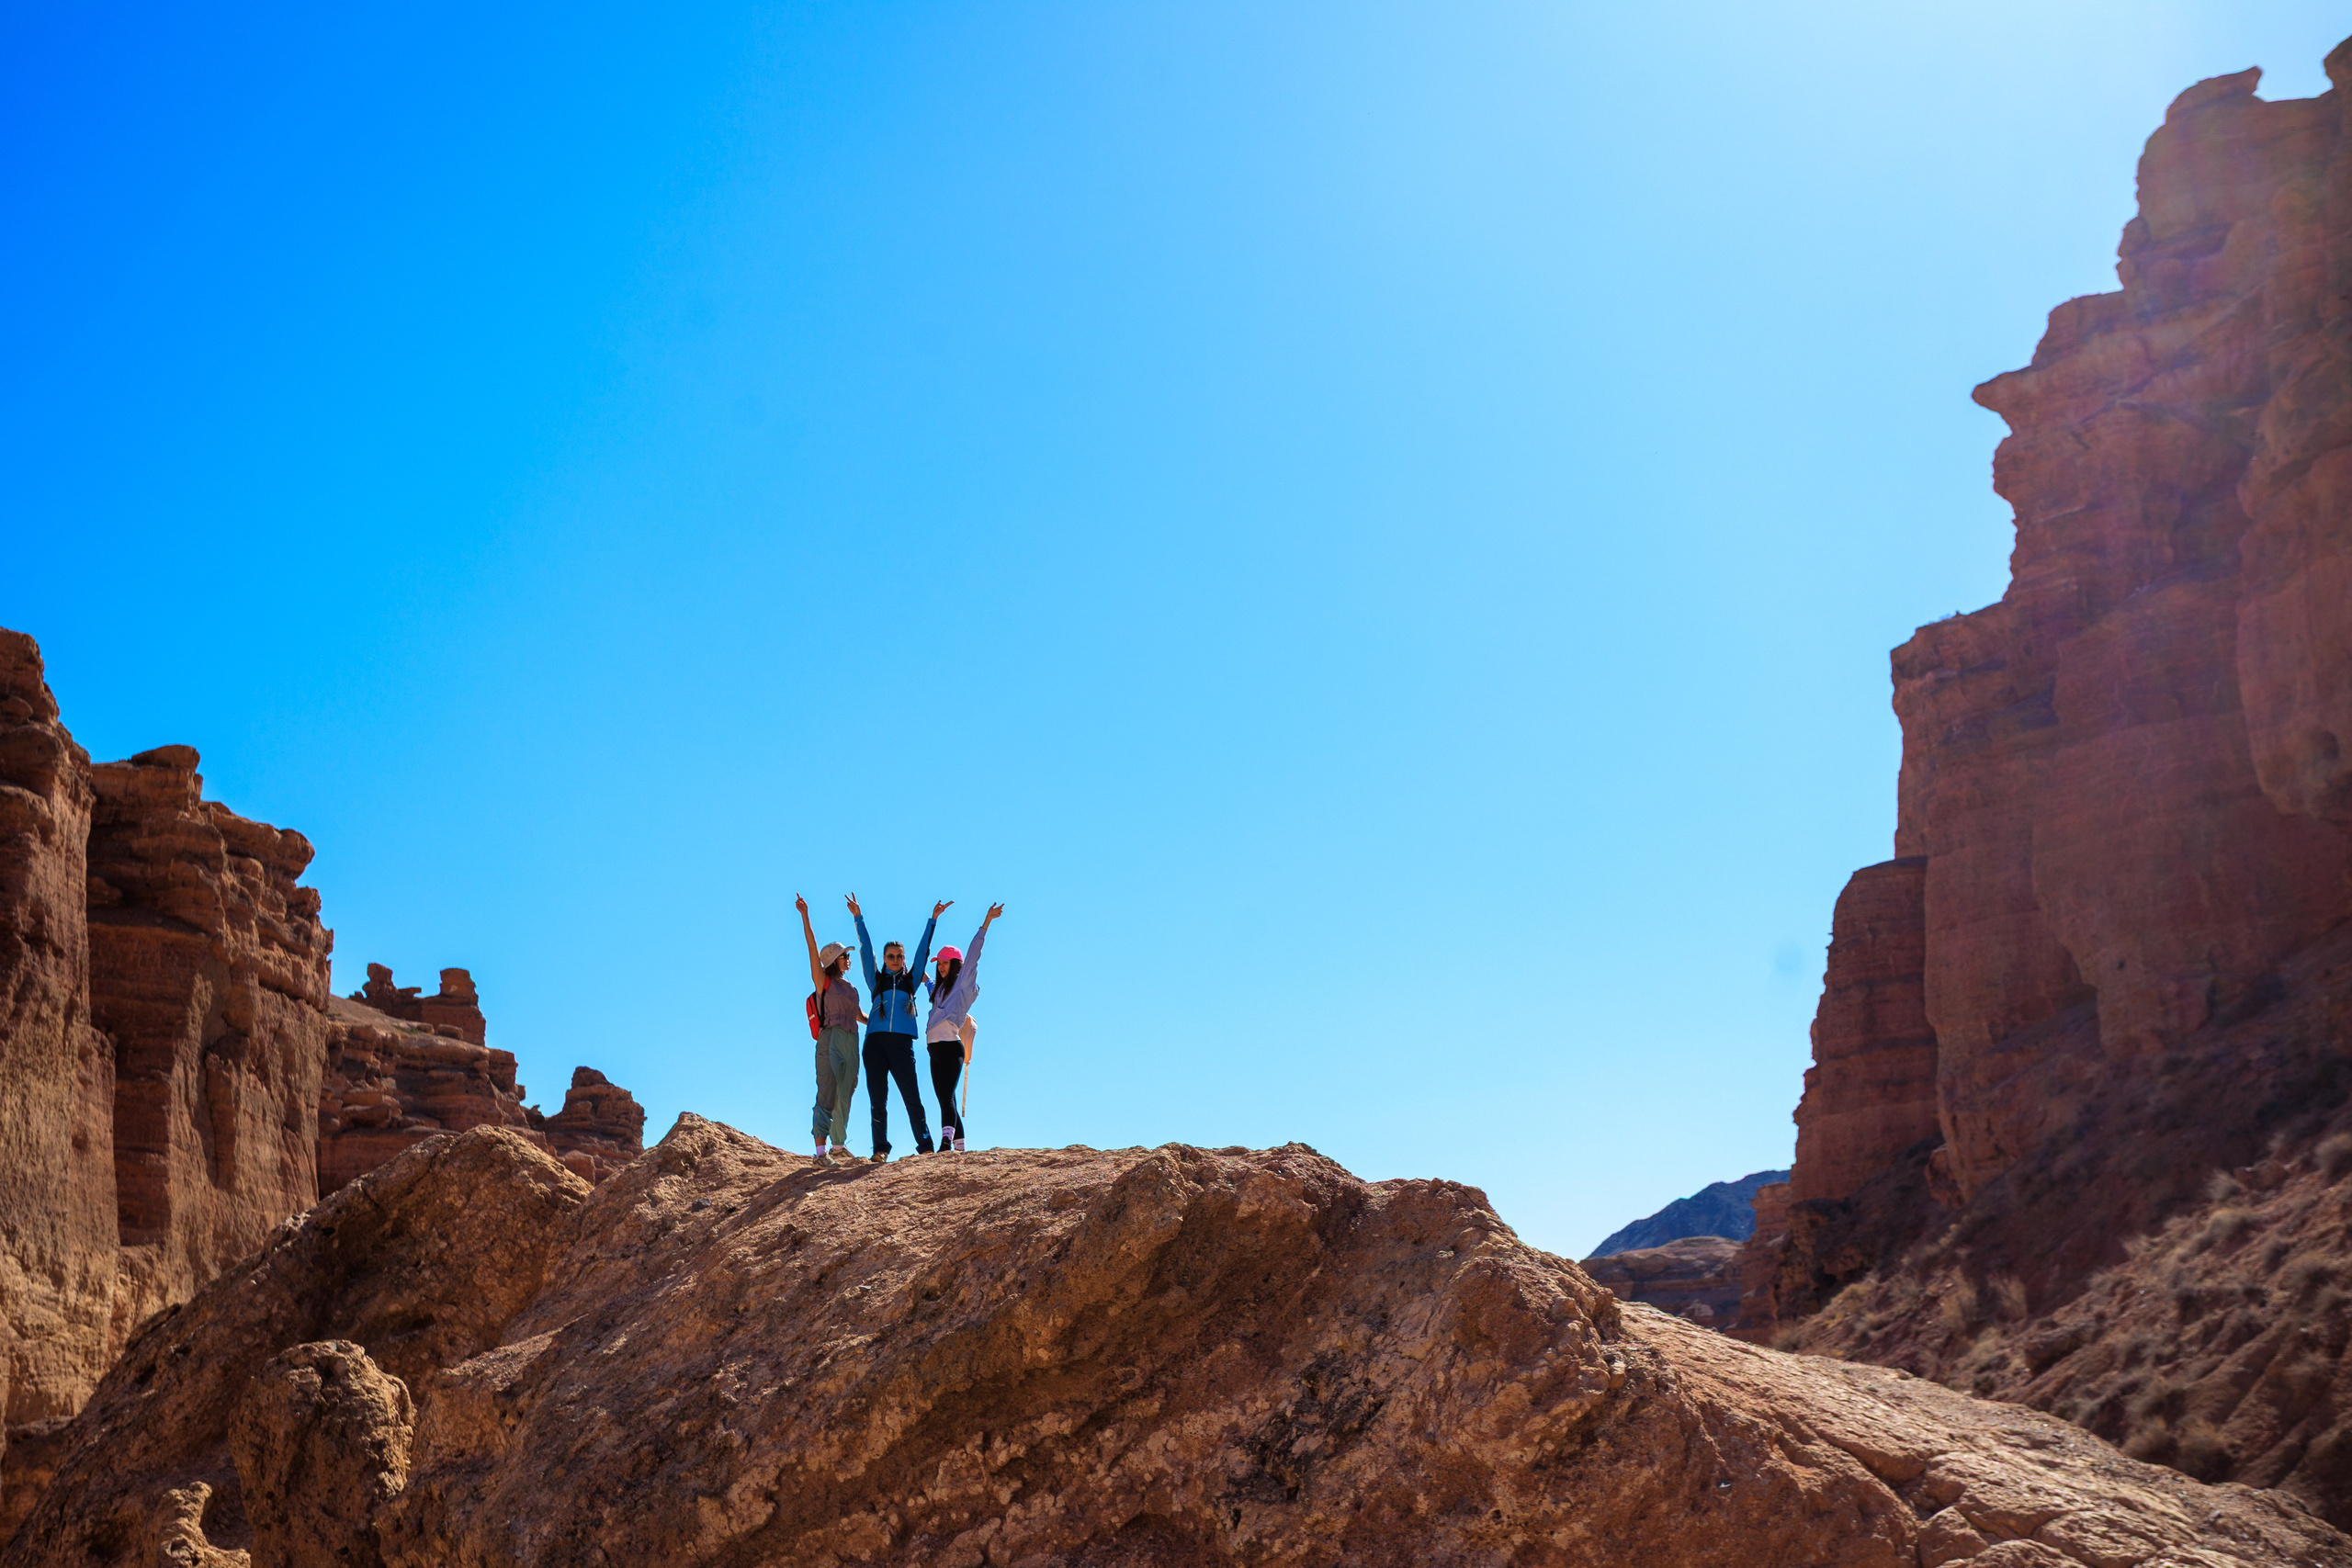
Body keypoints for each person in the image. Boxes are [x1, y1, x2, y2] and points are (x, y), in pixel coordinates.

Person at [850, 893, 946, 1161]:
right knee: (877, 1100)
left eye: (899, 956)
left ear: (904, 960)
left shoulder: (910, 982)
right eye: (890, 956)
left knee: (911, 1097)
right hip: (875, 1045)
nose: (895, 959)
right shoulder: (876, 981)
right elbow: (865, 950)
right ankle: (880, 1149)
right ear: (884, 958)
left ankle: (925, 1146)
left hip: (902, 1045)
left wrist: (933, 920)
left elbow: (923, 951)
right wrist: (858, 918)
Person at [924, 903, 1002, 1152]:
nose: (941, 966)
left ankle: (945, 1143)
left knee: (946, 1095)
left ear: (956, 965)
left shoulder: (962, 985)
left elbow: (973, 956)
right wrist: (922, 975)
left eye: (945, 962)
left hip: (950, 1048)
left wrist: (986, 922)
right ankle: (960, 1147)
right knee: (945, 1099)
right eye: (939, 963)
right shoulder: (939, 989)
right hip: (933, 1049)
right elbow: (928, 984)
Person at [797, 895, 865, 1163]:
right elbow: (812, 949)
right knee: (827, 1090)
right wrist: (805, 915)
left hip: (851, 1038)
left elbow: (859, 1015)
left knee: (847, 1090)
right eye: (844, 956)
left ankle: (838, 1146)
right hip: (830, 1038)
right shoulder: (823, 981)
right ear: (833, 961)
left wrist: (884, 1021)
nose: (848, 959)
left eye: (848, 955)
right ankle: (820, 1153)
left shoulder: (851, 988)